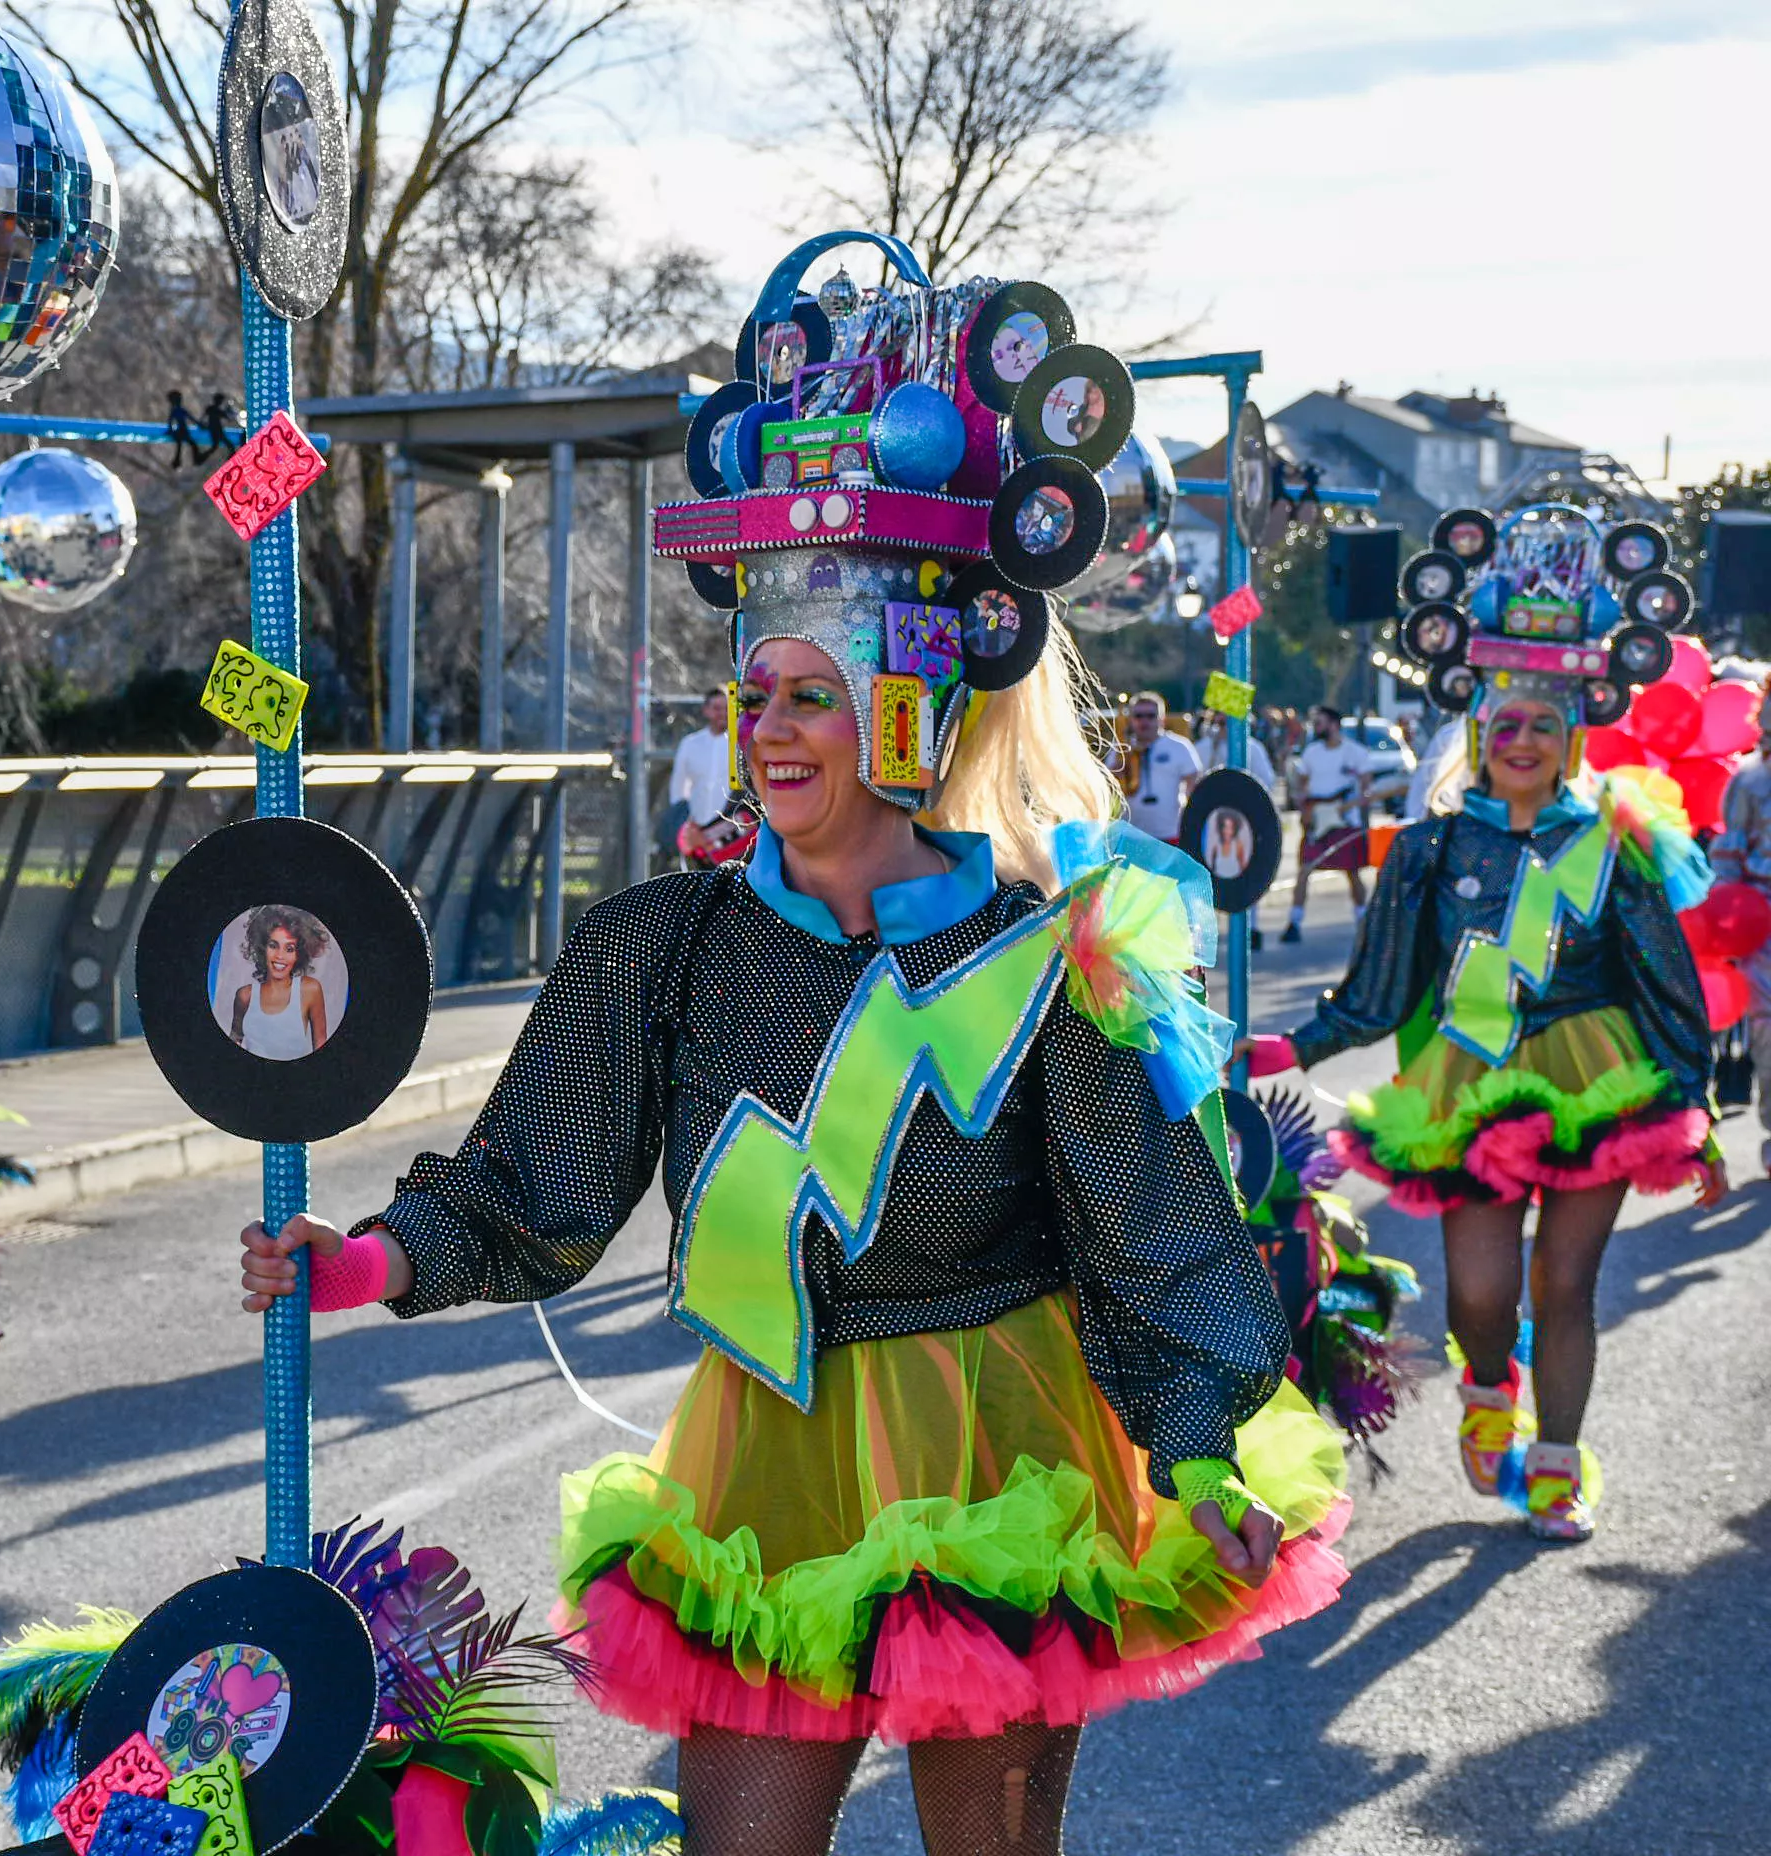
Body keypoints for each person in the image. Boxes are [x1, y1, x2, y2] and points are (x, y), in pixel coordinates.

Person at [242, 428, 1347, 1856]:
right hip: (765, 1450)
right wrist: (359, 1262)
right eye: (753, 693)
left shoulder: (1039, 959)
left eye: (812, 696)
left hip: (999, 1457)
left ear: (907, 711)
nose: (767, 728)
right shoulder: (662, 942)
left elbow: (1149, 1226)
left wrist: (1200, 1455)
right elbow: (533, 1183)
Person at [1244, 506, 1727, 1543]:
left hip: (1598, 1080)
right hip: (1468, 1082)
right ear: (1477, 733)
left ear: (1571, 739)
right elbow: (1377, 991)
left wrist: (1700, 1115)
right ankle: (1490, 1383)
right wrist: (1294, 1046)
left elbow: (1666, 988)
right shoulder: (1426, 850)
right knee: (1479, 1292)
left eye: (1542, 726)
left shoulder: (1614, 844)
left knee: (1568, 1282)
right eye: (1505, 724)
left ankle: (1557, 1466)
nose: (1522, 742)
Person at [1709, 675, 1771, 1169]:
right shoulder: (1750, 781)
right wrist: (1727, 923)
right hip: (1763, 924)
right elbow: (1728, 856)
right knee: (1768, 1029)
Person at [1280, 706, 1372, 943]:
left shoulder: (1356, 753)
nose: (1316, 727)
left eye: (1320, 723)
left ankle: (1363, 921)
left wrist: (1360, 804)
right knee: (1304, 870)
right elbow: (1301, 783)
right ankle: (1294, 922)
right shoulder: (1312, 752)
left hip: (1345, 821)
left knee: (1352, 872)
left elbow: (1367, 789)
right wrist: (1304, 806)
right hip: (1318, 823)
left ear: (1334, 724)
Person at [227, 905, 330, 1059]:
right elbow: (234, 1042)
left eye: (289, 949)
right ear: (262, 948)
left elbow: (321, 1045)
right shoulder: (245, 996)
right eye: (273, 946)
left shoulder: (310, 990)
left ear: (298, 954)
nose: (280, 956)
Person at [1114, 692, 1203, 844]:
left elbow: (1193, 786)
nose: (1144, 721)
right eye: (1138, 716)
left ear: (1162, 719)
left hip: (1170, 835)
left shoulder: (1179, 746)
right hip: (1131, 836)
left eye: (1151, 716)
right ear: (1131, 720)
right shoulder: (1121, 749)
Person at [669, 686, 740, 865]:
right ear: (706, 710)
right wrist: (684, 821)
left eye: (726, 708)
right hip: (697, 829)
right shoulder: (690, 743)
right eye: (716, 708)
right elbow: (679, 786)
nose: (722, 714)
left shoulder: (738, 743)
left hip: (730, 830)